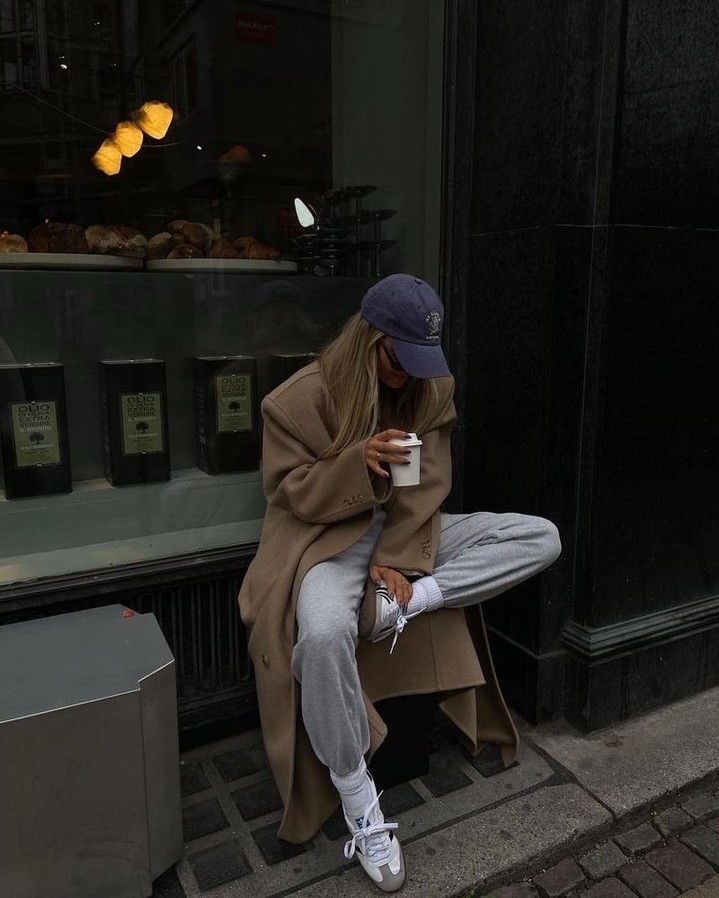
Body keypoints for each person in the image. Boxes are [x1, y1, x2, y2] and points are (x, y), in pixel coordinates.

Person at [239, 274, 561, 892]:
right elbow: (288, 492)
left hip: (409, 532)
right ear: (371, 339)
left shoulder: (429, 388)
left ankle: (408, 604)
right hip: (326, 541)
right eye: (399, 359)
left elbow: (424, 485)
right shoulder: (298, 400)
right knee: (323, 636)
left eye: (420, 361)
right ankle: (359, 801)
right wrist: (355, 463)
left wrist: (400, 563)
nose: (409, 374)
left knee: (539, 537)